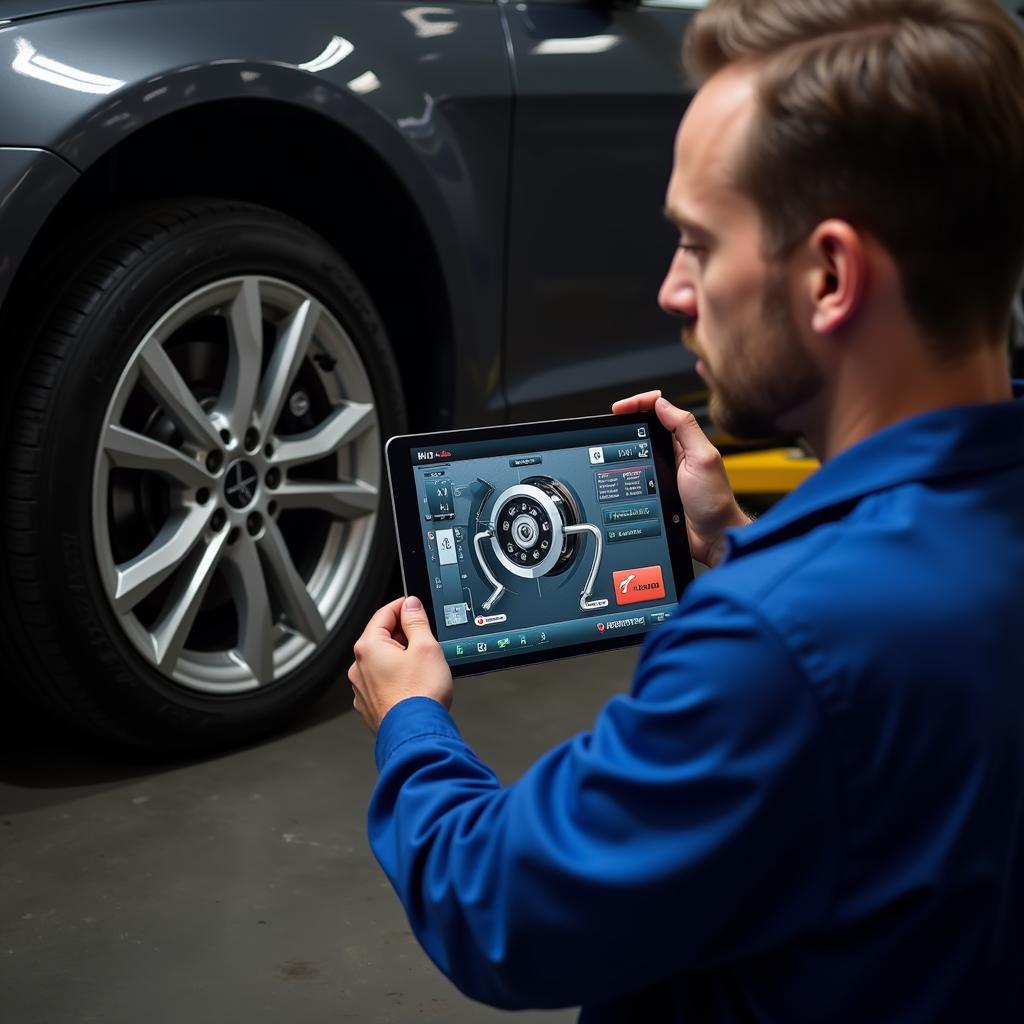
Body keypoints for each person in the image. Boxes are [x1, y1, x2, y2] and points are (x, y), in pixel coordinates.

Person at [347, 0, 1024, 1019]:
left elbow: (505, 908)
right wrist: (731, 545)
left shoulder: (770, 647)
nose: (672, 291)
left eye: (698, 245)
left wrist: (410, 726)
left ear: (831, 275)